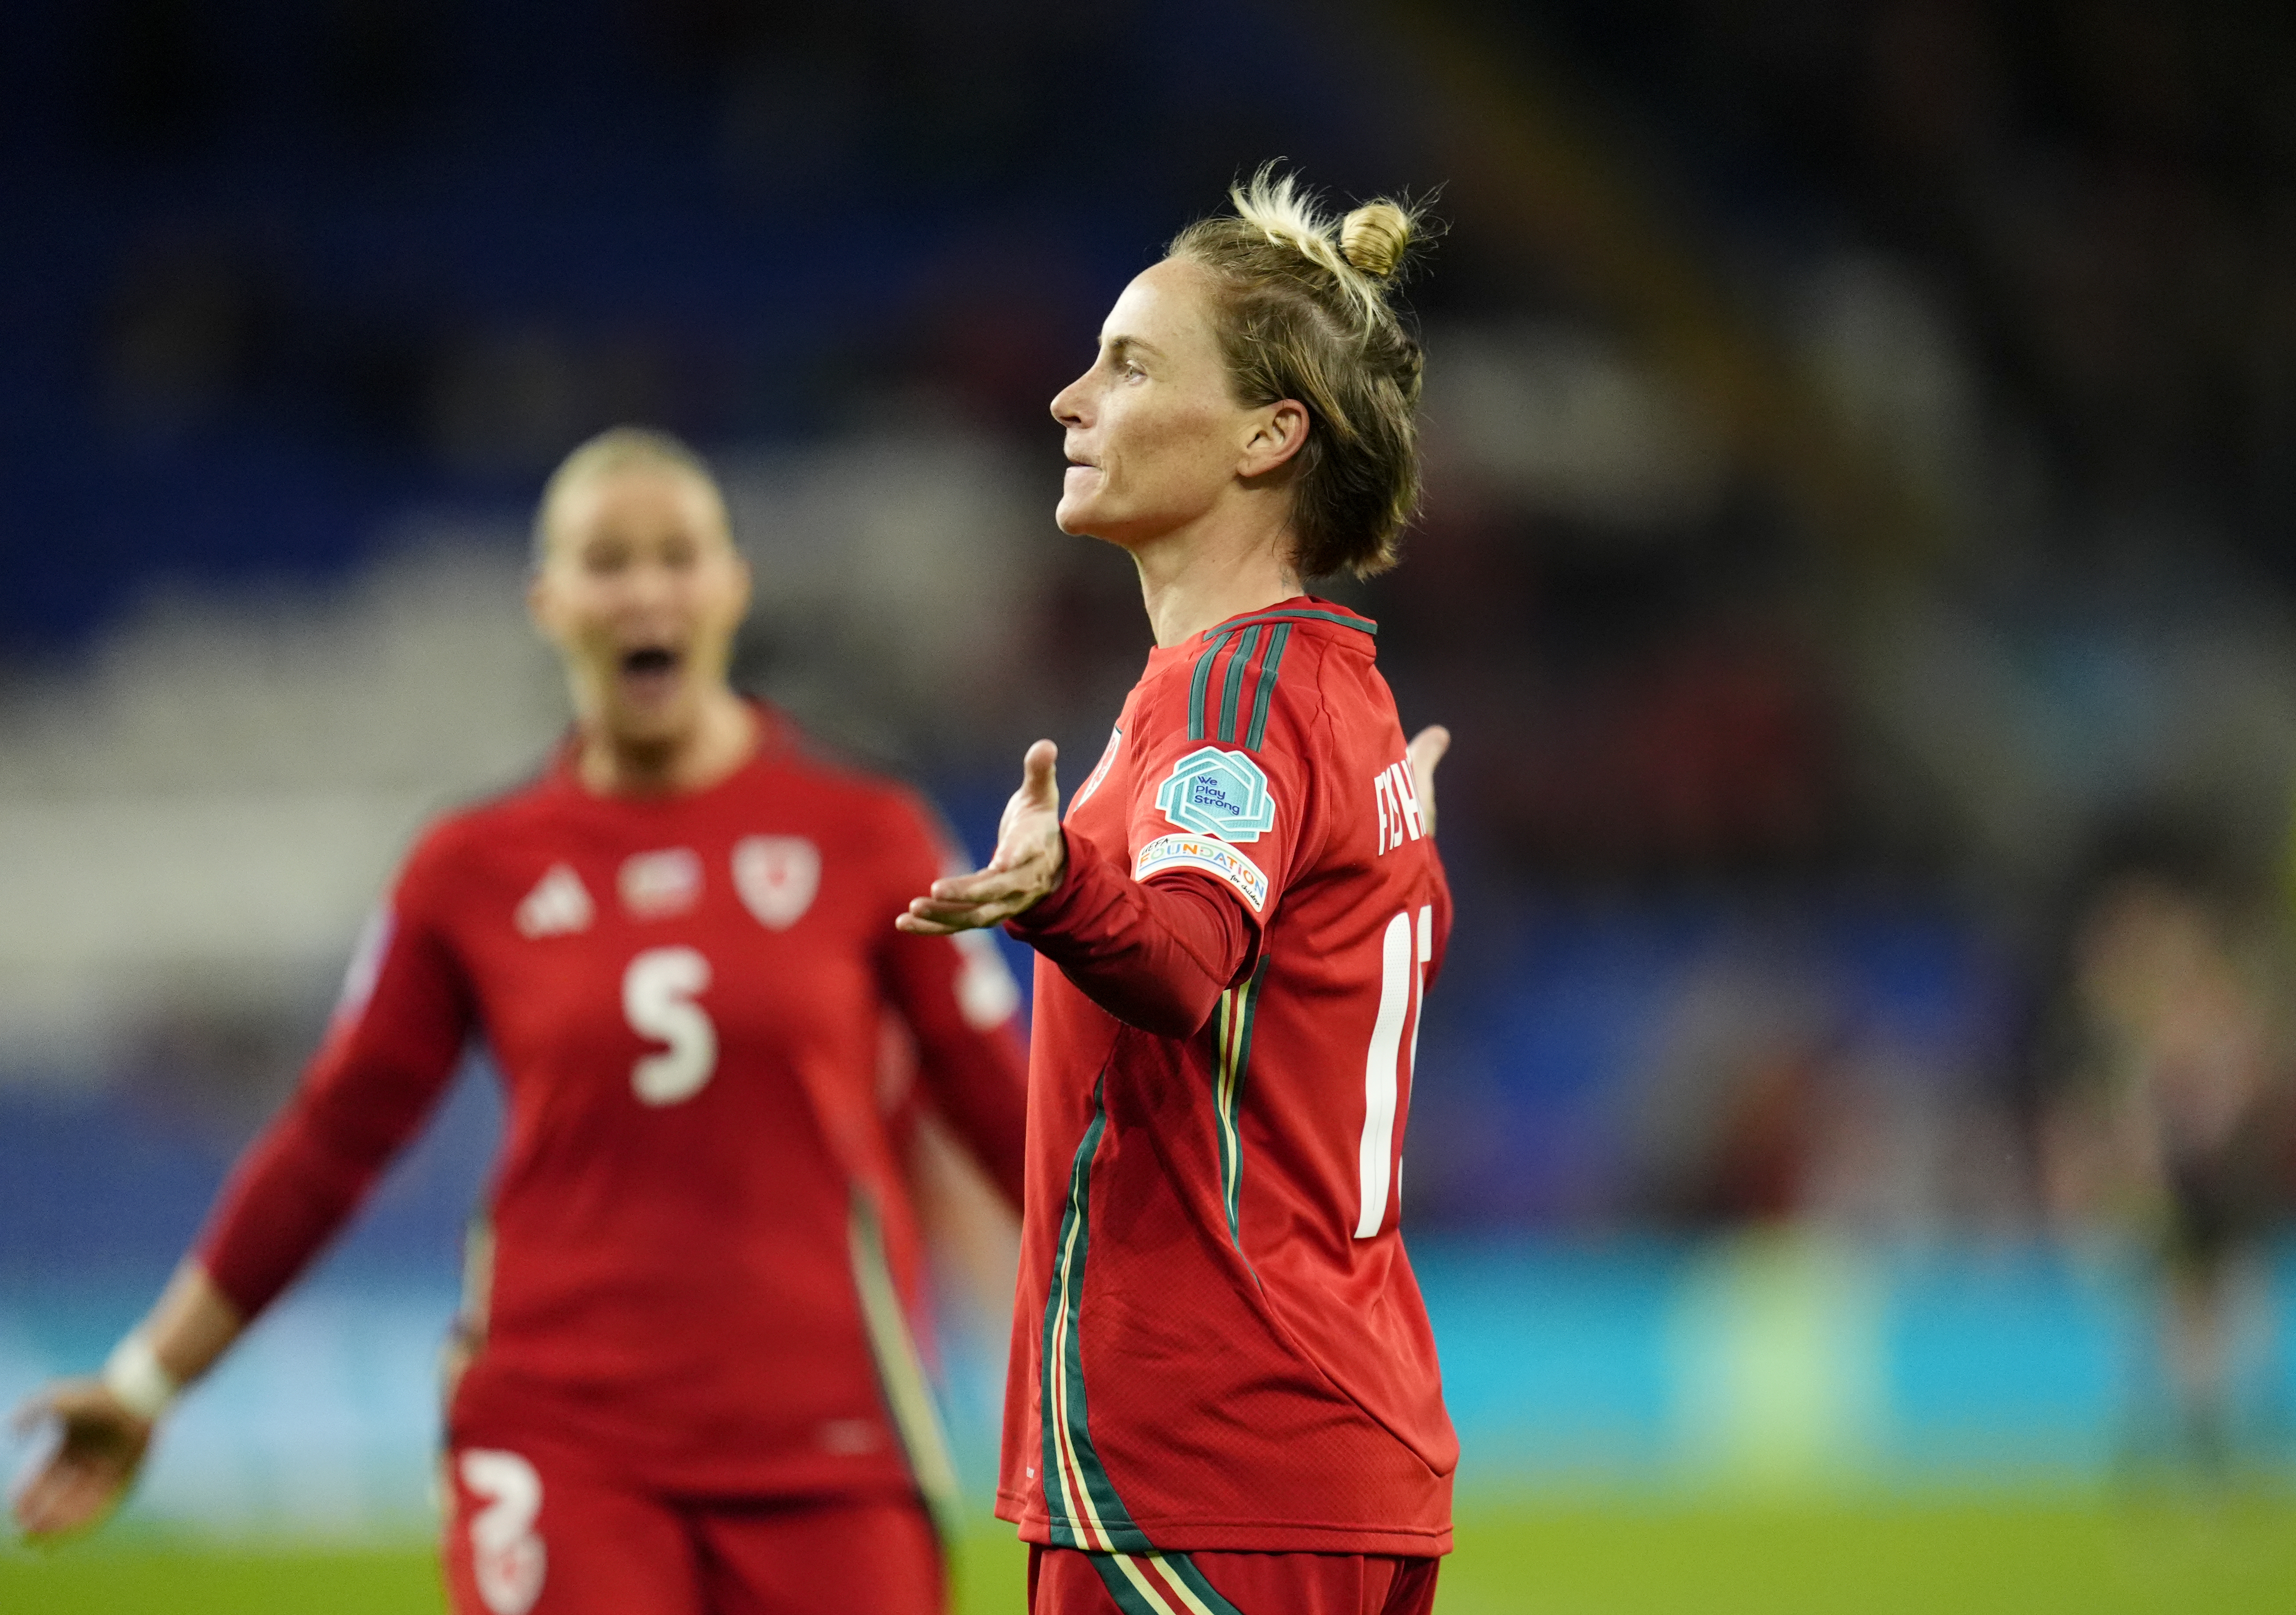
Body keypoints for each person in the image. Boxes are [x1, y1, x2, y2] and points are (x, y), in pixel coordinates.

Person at [11, 427, 1031, 1615]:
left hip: (833, 1439)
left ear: (732, 586)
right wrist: (146, 1382)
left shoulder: (870, 838)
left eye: (676, 556)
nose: (644, 591)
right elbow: (329, 1144)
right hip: (562, 1439)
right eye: (606, 561)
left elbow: (1011, 1123)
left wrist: (1181, 1323)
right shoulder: (470, 871)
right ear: (547, 600)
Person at [901, 168, 1457, 1615]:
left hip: (1202, 1459)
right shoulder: (1336, 691)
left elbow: (1179, 963)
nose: (1067, 401)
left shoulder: (1233, 693)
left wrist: (1059, 885)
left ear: (1271, 435)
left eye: (1130, 366)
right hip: (1330, 1450)